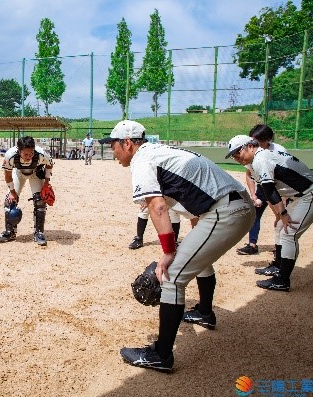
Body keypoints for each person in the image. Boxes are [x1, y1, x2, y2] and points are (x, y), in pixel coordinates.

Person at [99, 120, 254, 373]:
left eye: (114, 145)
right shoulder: (161, 153)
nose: (112, 151)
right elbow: (190, 205)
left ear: (127, 143)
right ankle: (204, 312)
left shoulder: (142, 159)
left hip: (226, 211)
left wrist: (169, 252)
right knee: (198, 260)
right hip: (234, 206)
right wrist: (192, 242)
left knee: (171, 277)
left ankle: (161, 355)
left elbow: (157, 206)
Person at [226, 133, 312, 291]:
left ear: (250, 146)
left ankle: (282, 280)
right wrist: (280, 215)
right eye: (233, 156)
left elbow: (270, 190)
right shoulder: (259, 158)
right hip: (300, 196)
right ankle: (278, 268)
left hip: (308, 195)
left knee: (289, 233)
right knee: (281, 228)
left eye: (238, 152)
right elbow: (268, 192)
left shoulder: (261, 159)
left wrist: (283, 214)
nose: (237, 158)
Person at [236, 124, 287, 256]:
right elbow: (249, 174)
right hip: (262, 187)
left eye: (257, 140)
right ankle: (252, 245)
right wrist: (253, 195)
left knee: (280, 216)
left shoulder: (278, 150)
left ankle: (280, 247)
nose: (253, 143)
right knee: (254, 215)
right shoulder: (250, 152)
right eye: (251, 140)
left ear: (268, 139)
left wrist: (284, 199)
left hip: (276, 188)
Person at [0, 136, 54, 246]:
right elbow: (7, 174)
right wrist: (12, 192)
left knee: (40, 201)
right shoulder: (10, 155)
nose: (29, 156)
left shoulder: (41, 153)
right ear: (19, 151)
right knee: (9, 201)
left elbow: (49, 164)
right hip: (19, 172)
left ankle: (39, 232)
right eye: (25, 154)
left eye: (31, 153)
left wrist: (46, 183)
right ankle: (10, 231)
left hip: (35, 172)